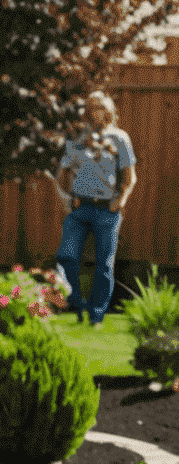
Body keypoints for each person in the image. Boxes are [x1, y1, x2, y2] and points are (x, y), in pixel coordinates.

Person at [53, 92, 137, 327]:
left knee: (104, 264)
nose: (94, 112)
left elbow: (130, 178)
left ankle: (96, 316)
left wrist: (121, 200)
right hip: (80, 209)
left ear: (108, 110)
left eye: (99, 107)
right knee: (66, 256)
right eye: (90, 108)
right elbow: (61, 174)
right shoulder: (79, 139)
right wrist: (68, 201)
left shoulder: (120, 138)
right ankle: (76, 303)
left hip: (106, 211)